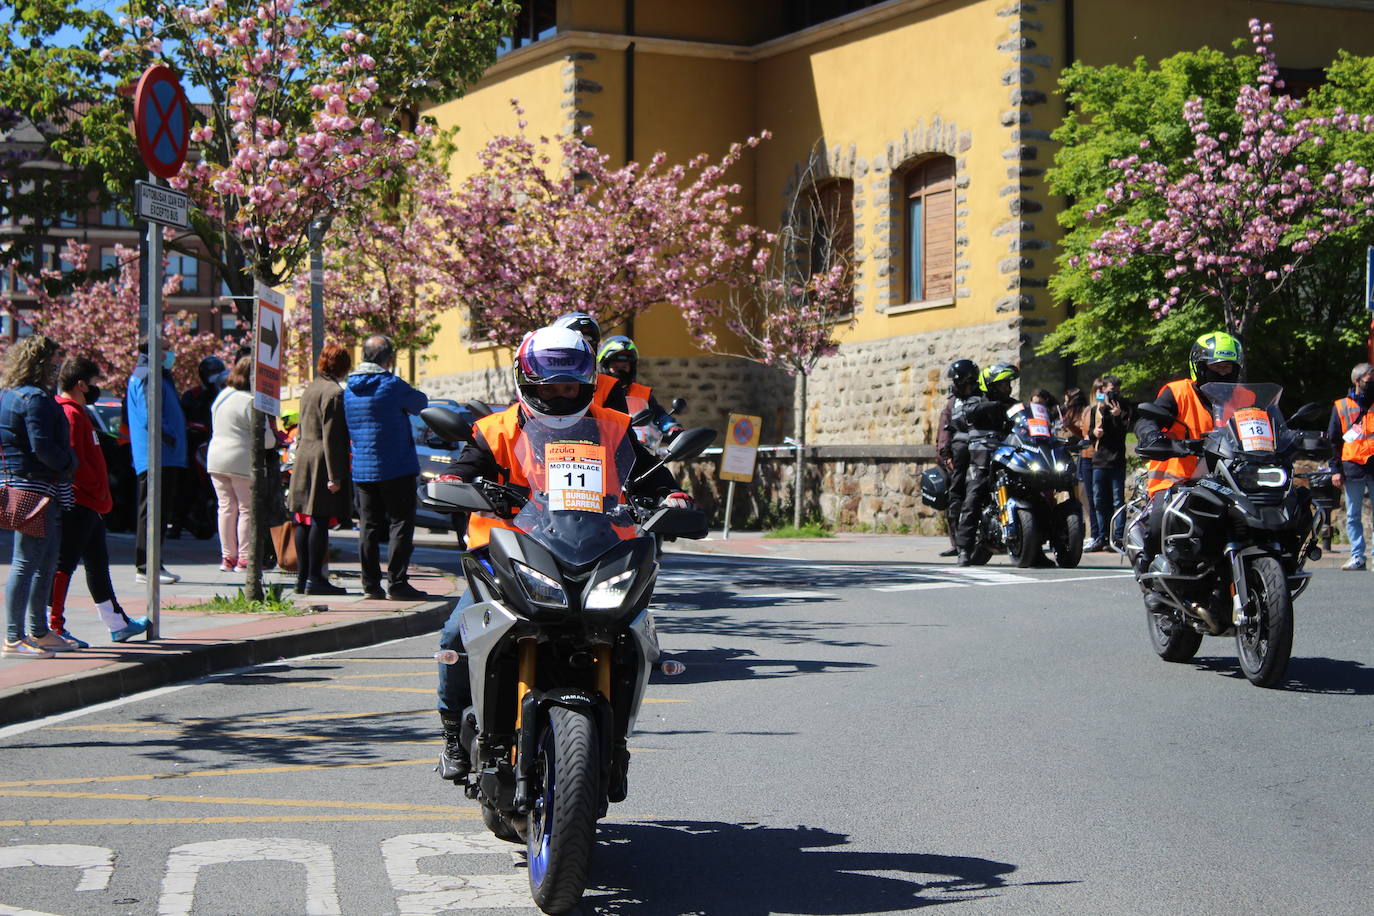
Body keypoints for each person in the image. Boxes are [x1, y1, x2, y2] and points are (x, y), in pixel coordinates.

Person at [434, 325, 692, 782]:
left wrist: (672, 497)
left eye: (569, 385)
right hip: (509, 550)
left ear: (587, 383)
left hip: (595, 548)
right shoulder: (494, 430)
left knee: (635, 633)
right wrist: (455, 484)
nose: (560, 393)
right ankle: (454, 730)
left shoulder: (613, 427)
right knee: (458, 632)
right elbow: (464, 470)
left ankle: (615, 739)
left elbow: (651, 479)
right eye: (550, 385)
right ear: (527, 381)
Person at [47, 357, 150, 647]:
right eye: (93, 383)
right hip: (78, 501)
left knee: (97, 564)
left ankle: (116, 623)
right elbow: (69, 461)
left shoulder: (80, 413)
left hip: (90, 502)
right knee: (64, 564)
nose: (95, 388)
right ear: (81, 383)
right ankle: (52, 626)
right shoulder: (70, 415)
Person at [1133, 331, 1245, 580]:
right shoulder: (1177, 392)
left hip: (1231, 481)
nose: (1224, 373)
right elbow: (1148, 419)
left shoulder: (1245, 398)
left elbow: (1263, 425)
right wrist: (1152, 436)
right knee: (1161, 519)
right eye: (1218, 367)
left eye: (1229, 368)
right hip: (1180, 482)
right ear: (1200, 367)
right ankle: (1150, 569)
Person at [1, 335, 77, 658]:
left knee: (41, 561)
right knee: (28, 561)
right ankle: (15, 636)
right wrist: (70, 463)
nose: (57, 365)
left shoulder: (8, 395)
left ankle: (37, 631)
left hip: (19, 483)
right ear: (42, 363)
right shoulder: (35, 399)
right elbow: (42, 447)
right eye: (54, 360)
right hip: (37, 487)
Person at [344, 334, 429, 601]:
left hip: (363, 468)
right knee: (401, 523)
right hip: (397, 465)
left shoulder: (349, 389)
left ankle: (370, 585)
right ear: (388, 358)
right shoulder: (391, 384)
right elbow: (420, 402)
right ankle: (397, 583)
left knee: (368, 526)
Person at [288, 343, 353, 595]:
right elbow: (333, 437)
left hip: (304, 456)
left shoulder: (311, 388)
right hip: (322, 460)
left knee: (303, 519)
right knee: (319, 518)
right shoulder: (334, 393)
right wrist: (335, 475)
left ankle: (302, 578)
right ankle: (316, 579)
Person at [126, 336, 186, 584]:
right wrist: (169, 436)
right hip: (158, 454)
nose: (170, 353)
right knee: (152, 511)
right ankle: (146, 566)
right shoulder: (147, 374)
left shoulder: (153, 374)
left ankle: (153, 564)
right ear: (155, 351)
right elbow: (150, 413)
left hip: (162, 454)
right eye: (167, 349)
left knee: (157, 512)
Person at [207, 357, 275, 572]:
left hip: (216, 456)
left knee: (225, 508)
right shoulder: (250, 400)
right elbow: (267, 440)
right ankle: (245, 558)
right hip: (241, 459)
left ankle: (228, 557)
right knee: (246, 509)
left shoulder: (222, 396)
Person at [953, 361, 1020, 566]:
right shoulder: (975, 401)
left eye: (1008, 384)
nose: (1007, 388)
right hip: (982, 460)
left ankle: (1034, 548)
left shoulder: (1013, 404)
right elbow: (966, 413)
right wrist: (994, 406)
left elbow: (1027, 420)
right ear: (990, 385)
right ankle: (964, 549)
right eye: (1002, 384)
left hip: (1008, 459)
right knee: (973, 497)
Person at [1327, 362, 1374, 571]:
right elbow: (1333, 441)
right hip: (1352, 465)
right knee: (1353, 514)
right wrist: (1335, 470)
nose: (1372, 383)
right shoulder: (1341, 406)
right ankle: (1357, 555)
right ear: (1357, 381)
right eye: (1369, 380)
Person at [596, 335, 684, 442]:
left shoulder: (642, 393)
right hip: (602, 447)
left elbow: (659, 416)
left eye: (624, 367)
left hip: (638, 449)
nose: (620, 371)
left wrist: (672, 427)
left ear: (632, 368)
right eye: (615, 367)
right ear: (605, 367)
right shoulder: (594, 392)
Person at [935, 359, 979, 558]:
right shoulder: (952, 403)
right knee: (956, 495)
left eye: (956, 379)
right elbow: (944, 432)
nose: (953, 383)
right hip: (960, 456)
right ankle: (957, 543)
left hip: (981, 453)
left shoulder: (982, 398)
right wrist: (945, 454)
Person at [1088, 375, 1131, 551]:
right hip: (1099, 461)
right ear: (1103, 389)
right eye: (1110, 387)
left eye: (1116, 388)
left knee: (1117, 501)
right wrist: (1094, 434)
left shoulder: (1124, 407)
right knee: (1099, 501)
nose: (1113, 391)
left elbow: (1124, 432)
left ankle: (1118, 538)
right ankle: (1101, 536)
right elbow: (1091, 435)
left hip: (1116, 461)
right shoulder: (1097, 409)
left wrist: (1117, 416)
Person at [1060, 385, 1099, 546]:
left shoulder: (1085, 411)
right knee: (1080, 496)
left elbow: (1083, 435)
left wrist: (1069, 426)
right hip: (1072, 455)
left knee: (1085, 496)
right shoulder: (1072, 412)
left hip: (1083, 455)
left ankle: (1091, 532)